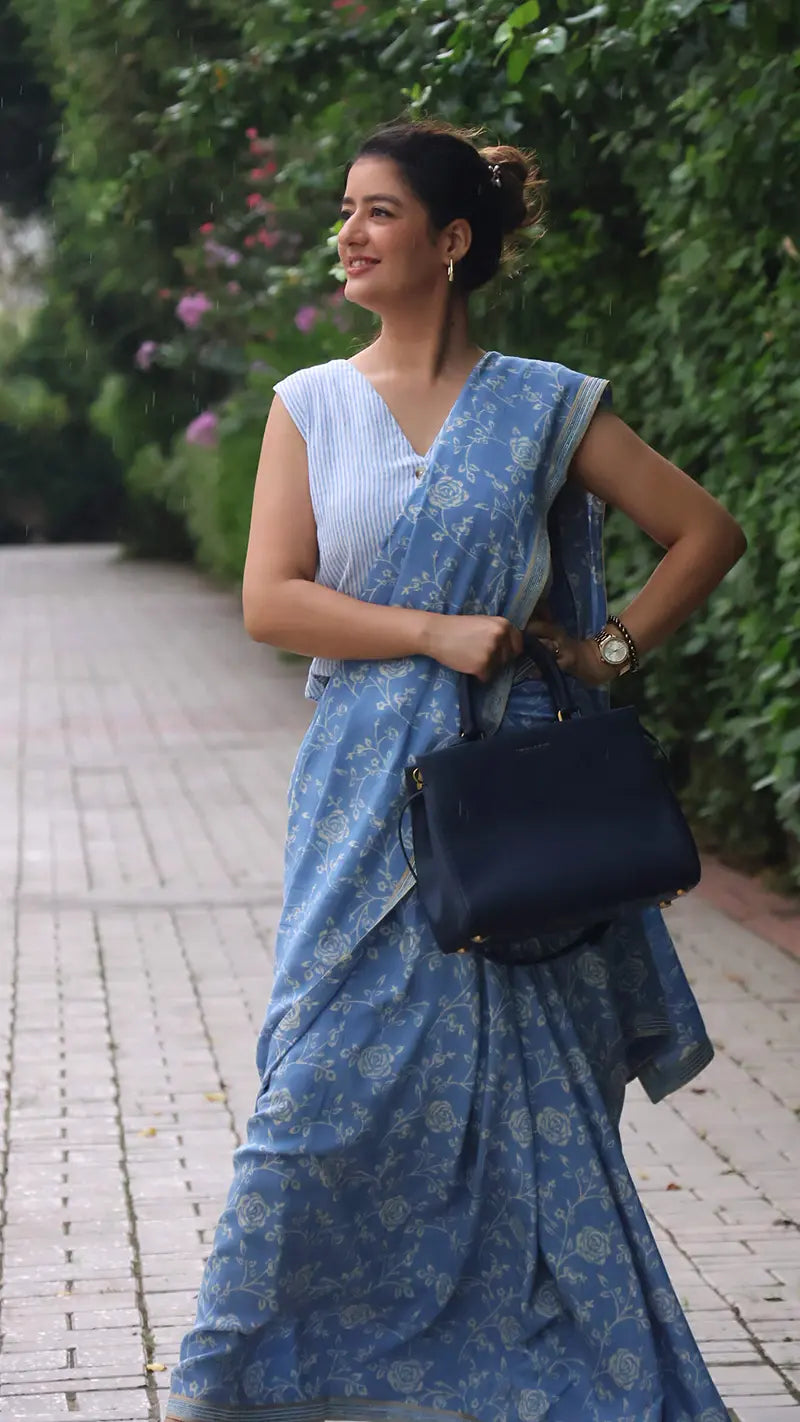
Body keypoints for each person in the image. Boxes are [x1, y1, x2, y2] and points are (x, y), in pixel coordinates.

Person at [166, 119, 745, 1422]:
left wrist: (606, 650)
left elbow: (705, 530)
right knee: (312, 1091)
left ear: (452, 241)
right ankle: (242, 1373)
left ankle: (543, 1362)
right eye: (345, 211)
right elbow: (272, 599)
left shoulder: (546, 405)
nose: (350, 234)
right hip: (361, 797)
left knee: (527, 1091)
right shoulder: (309, 404)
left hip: (507, 805)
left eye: (378, 212)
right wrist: (429, 631)